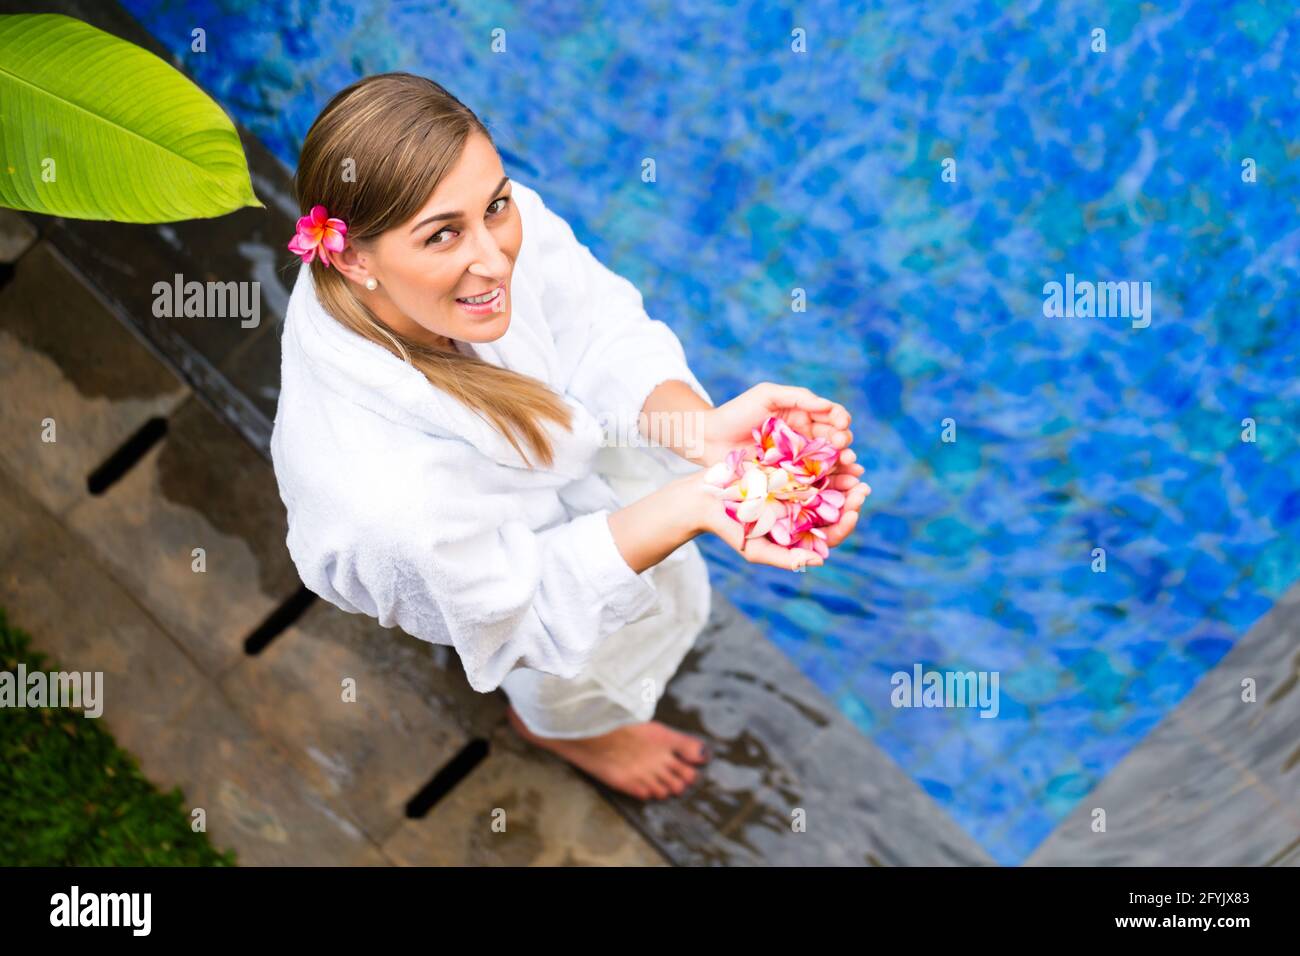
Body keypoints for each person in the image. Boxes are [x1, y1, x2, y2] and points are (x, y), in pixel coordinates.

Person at [269, 72, 869, 802]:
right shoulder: (384, 505)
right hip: (502, 583)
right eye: (443, 235)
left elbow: (594, 329)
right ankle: (571, 733)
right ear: (352, 257)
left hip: (579, 474)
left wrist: (700, 432)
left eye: (495, 205)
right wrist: (691, 507)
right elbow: (520, 612)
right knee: (568, 679)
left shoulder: (473, 240)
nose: (494, 259)